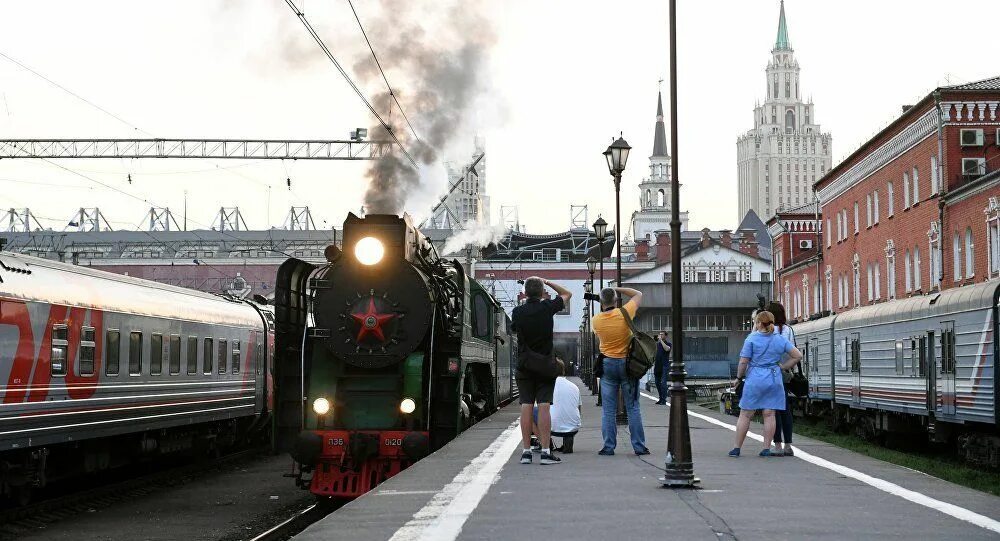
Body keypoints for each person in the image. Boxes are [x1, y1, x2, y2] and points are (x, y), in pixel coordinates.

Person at [511, 276, 572, 466]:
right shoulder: (547, 308)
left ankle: (526, 452)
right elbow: (567, 294)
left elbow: (514, 330)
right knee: (544, 406)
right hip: (545, 365)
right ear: (542, 293)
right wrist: (548, 282)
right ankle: (546, 452)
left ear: (525, 293)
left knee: (526, 406)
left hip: (525, 365)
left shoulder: (517, 311)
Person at [729, 311, 803, 457]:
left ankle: (737, 448)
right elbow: (798, 355)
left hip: (755, 379)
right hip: (774, 379)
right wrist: (782, 366)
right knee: (769, 415)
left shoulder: (751, 339)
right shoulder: (779, 339)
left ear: (758, 323)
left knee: (745, 414)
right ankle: (766, 449)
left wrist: (738, 377)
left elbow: (743, 361)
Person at [591, 286, 648, 456]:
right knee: (633, 407)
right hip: (627, 365)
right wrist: (616, 288)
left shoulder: (596, 321)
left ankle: (608, 447)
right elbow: (638, 294)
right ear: (615, 301)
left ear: (601, 303)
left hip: (607, 365)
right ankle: (639, 446)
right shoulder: (625, 312)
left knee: (608, 409)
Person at [531, 360, 582, 453]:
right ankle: (568, 439)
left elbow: (540, 408)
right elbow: (579, 409)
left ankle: (545, 443)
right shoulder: (574, 387)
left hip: (551, 427)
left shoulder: (546, 386)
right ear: (563, 370)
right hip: (574, 427)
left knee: (528, 413)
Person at [768, 302, 796, 456]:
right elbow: (794, 352)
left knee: (773, 411)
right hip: (784, 374)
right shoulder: (788, 330)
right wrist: (784, 367)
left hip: (770, 373)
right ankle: (788, 445)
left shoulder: (768, 331)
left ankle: (777, 445)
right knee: (785, 410)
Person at [653, 331, 672, 405]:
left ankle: (664, 400)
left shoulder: (668, 344)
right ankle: (660, 398)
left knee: (663, 383)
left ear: (666, 336)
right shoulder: (657, 345)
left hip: (664, 365)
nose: (660, 336)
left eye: (662, 335)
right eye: (660, 334)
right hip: (657, 365)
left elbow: (667, 349)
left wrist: (661, 341)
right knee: (657, 383)